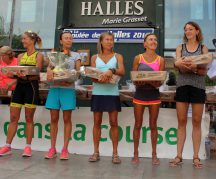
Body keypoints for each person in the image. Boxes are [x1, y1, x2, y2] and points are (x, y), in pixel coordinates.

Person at [170, 21, 208, 168]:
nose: (188, 32)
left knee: (197, 122)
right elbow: (176, 65)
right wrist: (189, 66)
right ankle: (178, 156)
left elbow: (204, 71)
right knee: (181, 121)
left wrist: (191, 68)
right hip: (182, 86)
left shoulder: (203, 48)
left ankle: (196, 157)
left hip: (198, 87)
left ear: (197, 31)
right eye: (186, 30)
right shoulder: (180, 47)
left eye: (191, 29)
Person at [0, 31, 43, 157]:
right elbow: (15, 72)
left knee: (29, 118)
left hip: (31, 88)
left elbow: (37, 74)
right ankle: (7, 146)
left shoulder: (38, 55)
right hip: (19, 87)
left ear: (32, 40)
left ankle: (28, 147)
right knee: (13, 118)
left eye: (24, 39)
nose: (23, 41)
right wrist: (12, 73)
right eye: (23, 39)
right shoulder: (20, 56)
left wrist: (26, 74)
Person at [88, 32, 125, 164]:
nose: (110, 42)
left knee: (113, 123)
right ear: (101, 42)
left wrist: (112, 71)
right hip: (97, 93)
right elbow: (92, 74)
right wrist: (99, 79)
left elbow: (122, 71)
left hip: (112, 93)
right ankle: (95, 152)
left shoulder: (118, 56)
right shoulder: (94, 57)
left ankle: (115, 154)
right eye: (107, 39)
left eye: (111, 40)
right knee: (97, 123)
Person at [44, 31, 81, 160]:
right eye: (66, 38)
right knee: (53, 119)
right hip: (54, 89)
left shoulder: (76, 55)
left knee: (67, 120)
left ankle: (65, 149)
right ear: (61, 41)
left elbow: (78, 73)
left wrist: (70, 78)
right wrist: (49, 70)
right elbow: (49, 68)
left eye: (70, 38)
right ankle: (52, 148)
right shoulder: (55, 54)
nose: (68, 40)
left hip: (68, 89)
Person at [131, 33, 165, 165]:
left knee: (153, 126)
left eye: (155, 39)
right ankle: (135, 154)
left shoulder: (160, 60)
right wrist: (142, 80)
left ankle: (154, 155)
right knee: (138, 125)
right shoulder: (137, 58)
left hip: (154, 96)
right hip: (139, 95)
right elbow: (134, 78)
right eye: (150, 39)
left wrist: (151, 81)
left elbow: (160, 81)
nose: (153, 41)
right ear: (145, 44)